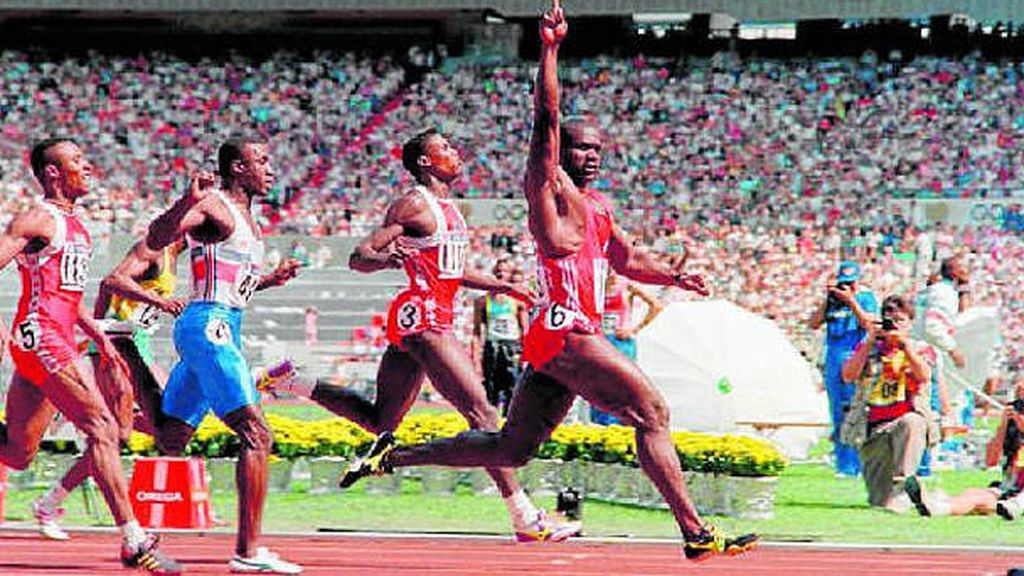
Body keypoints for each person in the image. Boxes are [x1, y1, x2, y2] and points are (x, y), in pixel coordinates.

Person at [339, 1, 757, 561]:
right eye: (581, 147)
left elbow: (629, 260)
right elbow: (547, 120)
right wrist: (552, 49)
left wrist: (677, 276)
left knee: (511, 448)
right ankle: (695, 534)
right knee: (652, 412)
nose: (591, 156)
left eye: (599, 150)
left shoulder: (599, 207)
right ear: (561, 155)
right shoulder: (547, 191)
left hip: (554, 342)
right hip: (565, 329)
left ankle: (392, 457)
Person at [275, 128, 579, 543]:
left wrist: (501, 287)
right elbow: (359, 256)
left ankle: (293, 380)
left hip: (425, 316)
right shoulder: (414, 204)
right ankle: (525, 518)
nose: (456, 154)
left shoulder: (448, 208)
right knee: (484, 414)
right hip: (425, 318)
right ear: (424, 161)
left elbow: (451, 271)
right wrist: (384, 259)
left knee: (380, 420)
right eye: (445, 149)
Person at [0, 138, 181, 574]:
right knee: (102, 427)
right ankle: (134, 540)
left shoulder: (76, 225)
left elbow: (69, 296)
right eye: (77, 160)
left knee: (18, 452)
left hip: (56, 336)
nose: (88, 166)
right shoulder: (38, 217)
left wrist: (97, 336)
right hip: (42, 337)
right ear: (52, 173)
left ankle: (132, 538)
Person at [144, 136, 303, 574]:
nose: (271, 169)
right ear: (237, 168)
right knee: (256, 432)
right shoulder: (213, 204)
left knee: (171, 436)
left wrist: (271, 279)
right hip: (206, 324)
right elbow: (157, 238)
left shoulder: (249, 219)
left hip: (223, 322)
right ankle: (248, 553)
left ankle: (137, 536)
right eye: (261, 161)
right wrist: (184, 202)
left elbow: (234, 287)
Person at [31, 237, 187, 541]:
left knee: (163, 426)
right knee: (118, 435)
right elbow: (110, 282)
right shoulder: (154, 248)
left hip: (137, 343)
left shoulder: (174, 256)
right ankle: (51, 503)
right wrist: (99, 336)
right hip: (118, 342)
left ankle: (51, 498)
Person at [841, 294, 937, 512]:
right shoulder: (870, 348)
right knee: (879, 502)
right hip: (872, 427)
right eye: (889, 320)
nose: (894, 325)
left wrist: (905, 348)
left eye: (900, 320)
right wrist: (870, 340)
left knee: (912, 423)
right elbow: (848, 375)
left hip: (904, 419)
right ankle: (924, 496)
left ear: (910, 323)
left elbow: (924, 376)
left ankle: (904, 487)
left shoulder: (920, 349)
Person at [903, 376, 1024, 518]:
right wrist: (1003, 425)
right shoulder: (1013, 420)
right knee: (973, 494)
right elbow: (990, 461)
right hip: (1010, 487)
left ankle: (938, 504)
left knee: (981, 500)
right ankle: (937, 506)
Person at [808, 261, 878, 477]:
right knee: (837, 411)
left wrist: (851, 301)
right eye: (843, 283)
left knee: (854, 410)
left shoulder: (866, 298)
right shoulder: (832, 302)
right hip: (833, 357)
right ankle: (843, 463)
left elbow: (869, 324)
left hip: (854, 355)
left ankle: (857, 462)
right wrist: (828, 298)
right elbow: (813, 323)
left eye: (851, 283)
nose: (846, 287)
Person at [590, 269, 663, 425]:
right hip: (600, 341)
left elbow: (656, 306)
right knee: (598, 384)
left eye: (614, 270)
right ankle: (600, 425)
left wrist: (634, 329)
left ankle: (623, 423)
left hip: (620, 342)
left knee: (622, 383)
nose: (611, 273)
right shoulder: (594, 287)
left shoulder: (626, 286)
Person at [473, 257, 529, 415]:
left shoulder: (518, 301)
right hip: (492, 347)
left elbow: (525, 330)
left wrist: (527, 355)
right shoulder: (482, 301)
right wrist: (476, 359)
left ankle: (509, 428)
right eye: (498, 271)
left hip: (512, 348)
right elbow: (476, 332)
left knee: (513, 390)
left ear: (509, 275)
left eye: (504, 271)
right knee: (491, 390)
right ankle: (491, 429)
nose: (500, 274)